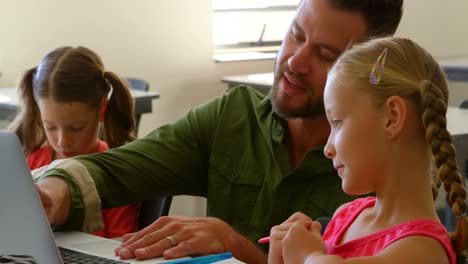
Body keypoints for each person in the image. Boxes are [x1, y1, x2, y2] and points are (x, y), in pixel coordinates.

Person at [33, 1, 404, 263]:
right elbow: (121, 166)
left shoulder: (383, 168)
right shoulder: (233, 115)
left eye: (324, 55)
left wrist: (235, 246)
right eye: (295, 34)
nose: (294, 61)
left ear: (367, 66)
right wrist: (53, 192)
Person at [268, 37, 468, 264]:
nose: (327, 149)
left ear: (392, 117)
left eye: (337, 122)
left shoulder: (423, 251)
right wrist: (281, 255)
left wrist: (305, 256)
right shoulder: (347, 216)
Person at [9, 46, 140, 238]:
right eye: (51, 127)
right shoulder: (32, 161)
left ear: (102, 110)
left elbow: (120, 246)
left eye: (76, 128)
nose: (63, 142)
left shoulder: (114, 173)